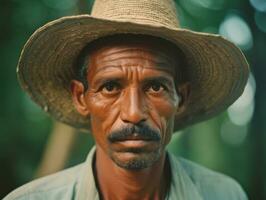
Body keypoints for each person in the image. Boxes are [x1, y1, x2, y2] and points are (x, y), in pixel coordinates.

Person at [4, 0, 249, 199]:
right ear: (81, 97)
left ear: (181, 98)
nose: (133, 113)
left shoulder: (225, 194)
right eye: (110, 86)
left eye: (155, 87)